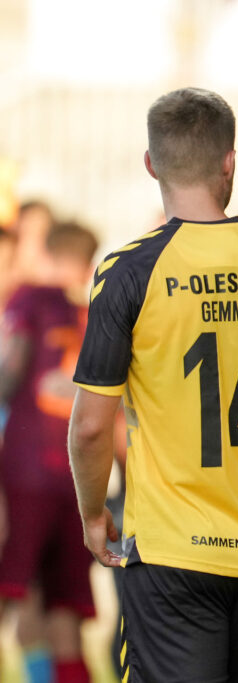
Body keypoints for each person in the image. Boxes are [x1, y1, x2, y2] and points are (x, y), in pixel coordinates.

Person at [68, 87, 238, 682]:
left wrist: (91, 514)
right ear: (230, 161)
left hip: (171, 552)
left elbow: (88, 426)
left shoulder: (130, 269)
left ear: (152, 164)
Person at [0, 221, 98, 683]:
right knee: (64, 614)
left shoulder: (30, 299)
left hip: (25, 471)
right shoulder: (101, 314)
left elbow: (8, 374)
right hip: (78, 482)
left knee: (12, 592)